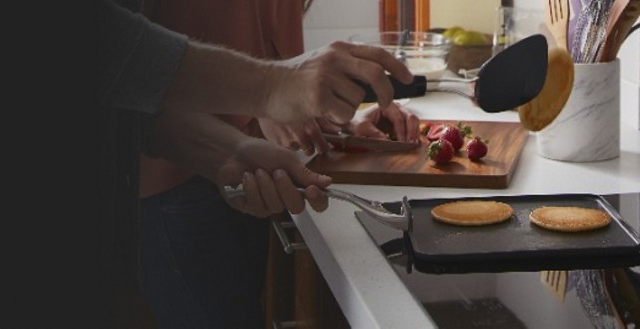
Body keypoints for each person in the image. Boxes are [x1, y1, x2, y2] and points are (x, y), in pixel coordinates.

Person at [100, 0, 414, 326]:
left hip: (239, 161)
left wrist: (322, 110)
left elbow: (266, 48)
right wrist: (272, 86)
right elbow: (103, 42)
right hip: (172, 181)